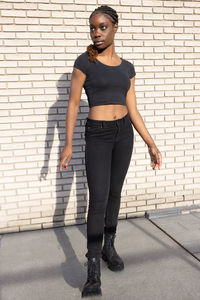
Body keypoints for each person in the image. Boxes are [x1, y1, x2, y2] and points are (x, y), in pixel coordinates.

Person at [59, 5, 162, 298]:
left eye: (102, 27)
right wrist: (67, 143)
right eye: (93, 28)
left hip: (123, 134)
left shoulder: (127, 68)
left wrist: (150, 143)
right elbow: (73, 105)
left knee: (115, 193)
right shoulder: (84, 63)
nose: (97, 33)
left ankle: (109, 247)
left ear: (115, 27)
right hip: (98, 135)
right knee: (99, 198)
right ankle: (92, 269)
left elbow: (133, 110)